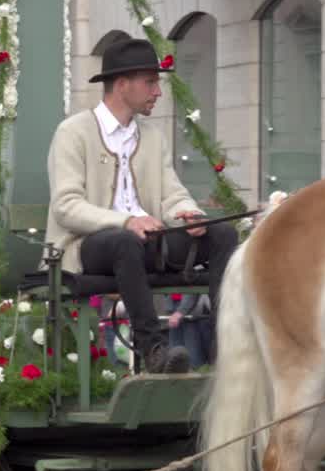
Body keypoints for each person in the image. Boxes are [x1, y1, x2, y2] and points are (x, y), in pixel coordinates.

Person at [43, 38, 238, 373]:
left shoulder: (152, 136)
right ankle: (154, 349)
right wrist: (125, 220)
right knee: (125, 241)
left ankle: (226, 349)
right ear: (121, 85)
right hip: (88, 247)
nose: (158, 92)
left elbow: (171, 195)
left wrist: (187, 215)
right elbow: (66, 207)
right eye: (150, 82)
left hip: (146, 242)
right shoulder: (73, 133)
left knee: (222, 234)